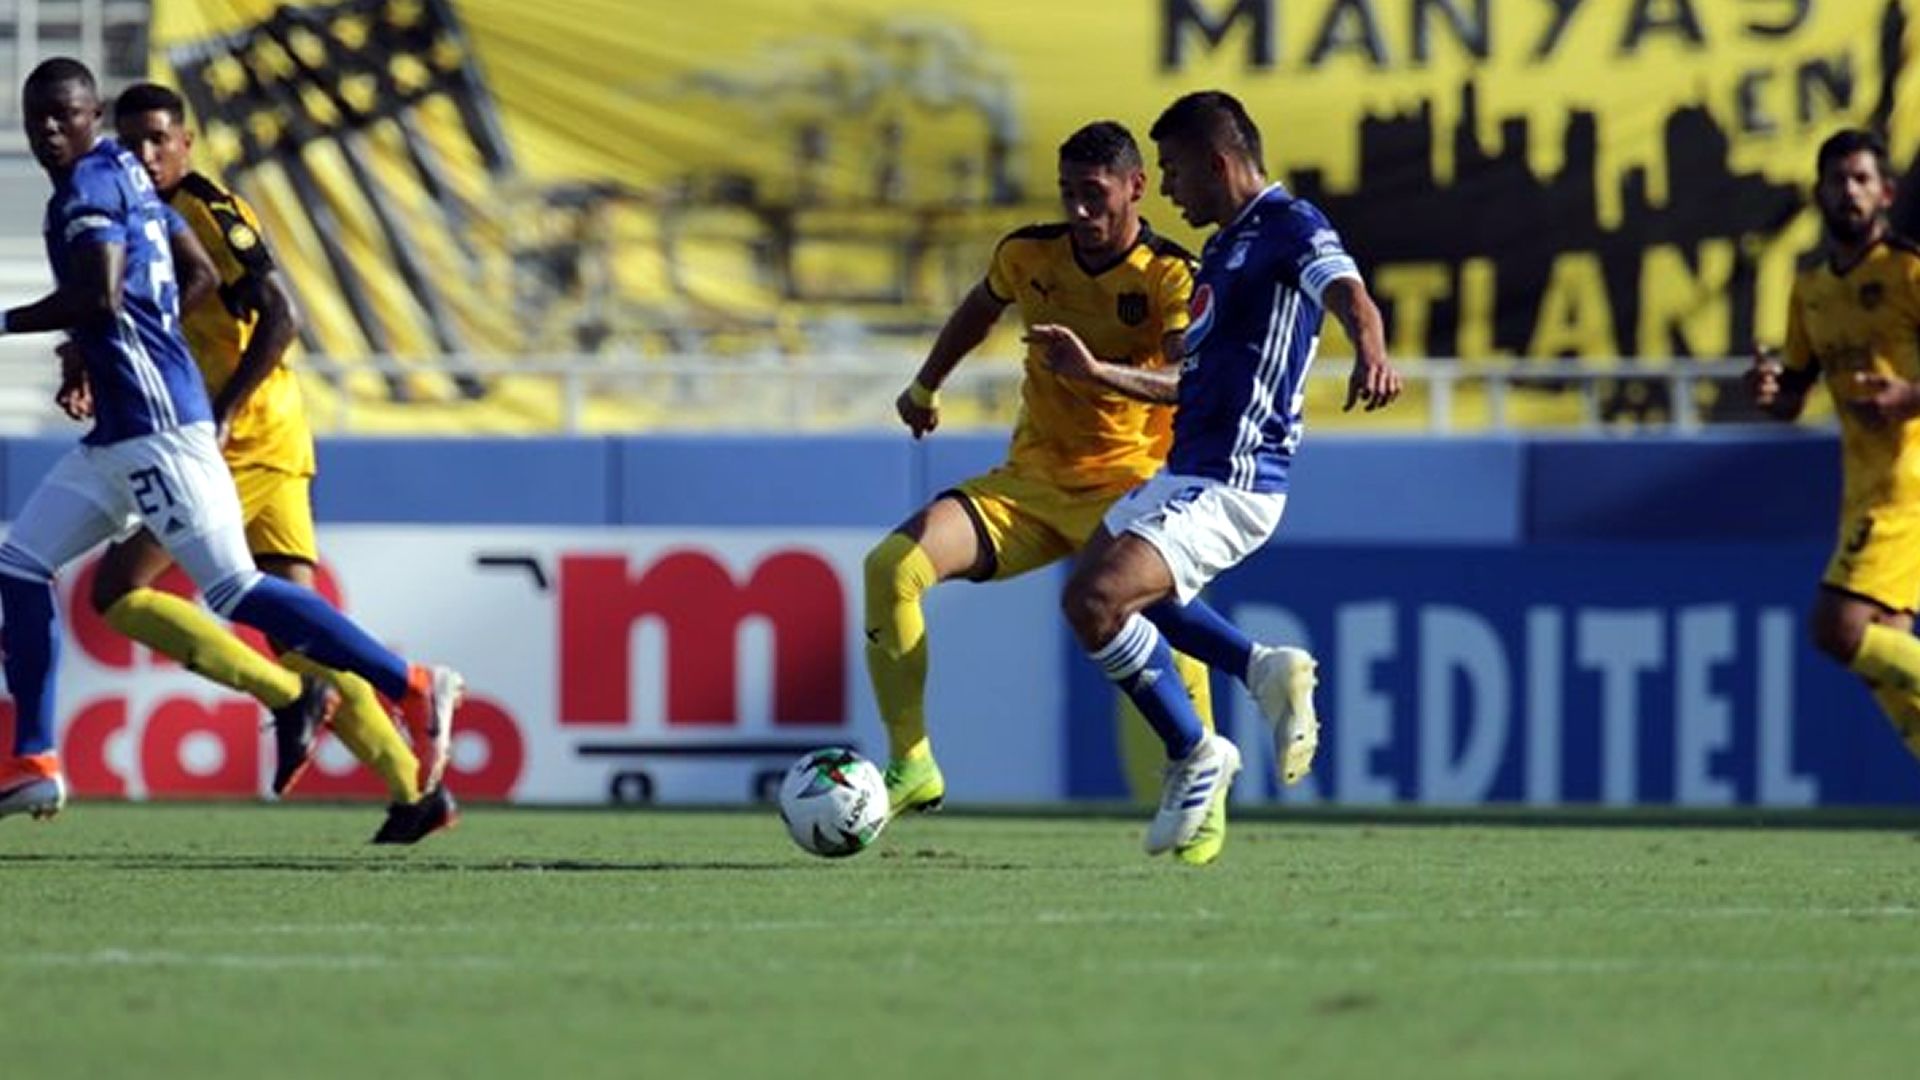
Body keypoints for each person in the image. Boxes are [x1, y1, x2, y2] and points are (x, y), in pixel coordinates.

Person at [0, 58, 462, 842]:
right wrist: (118, 342)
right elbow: (192, 273)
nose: (49, 130)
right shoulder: (121, 172)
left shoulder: (93, 188)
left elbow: (106, 293)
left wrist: (41, 325)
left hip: (173, 429)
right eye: (36, 115)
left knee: (236, 594)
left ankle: (411, 683)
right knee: (20, 564)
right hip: (127, 429)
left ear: (93, 115)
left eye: (64, 116)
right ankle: (36, 761)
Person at [866, 121, 1248, 864]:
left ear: (1136, 188)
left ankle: (1199, 791)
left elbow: (1189, 385)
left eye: (1094, 194)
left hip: (1132, 488)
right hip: (1032, 485)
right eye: (1068, 193)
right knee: (892, 569)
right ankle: (912, 763)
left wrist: (1096, 371)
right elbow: (982, 305)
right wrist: (925, 384)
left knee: (1163, 620)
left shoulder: (1172, 275)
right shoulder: (1027, 253)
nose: (1079, 210)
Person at [1038, 90, 1401, 856]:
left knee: (1099, 600)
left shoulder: (1288, 227)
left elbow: (1349, 291)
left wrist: (1370, 345)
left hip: (1237, 481)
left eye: (1172, 170)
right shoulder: (1223, 252)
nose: (1167, 188)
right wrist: (1097, 370)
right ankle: (1262, 668)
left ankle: (1197, 751)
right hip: (1187, 469)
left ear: (1217, 162)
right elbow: (1189, 384)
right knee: (1092, 584)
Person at [1748, 128, 1920, 770]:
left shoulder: (1908, 271)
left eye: (1861, 179)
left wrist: (1910, 397)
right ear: (1818, 193)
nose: (1848, 191)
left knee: (1837, 628)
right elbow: (1792, 394)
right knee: (1886, 657)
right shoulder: (1811, 290)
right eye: (1837, 180)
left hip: (1909, 486)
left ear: (1885, 193)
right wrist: (1769, 394)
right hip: (1861, 489)